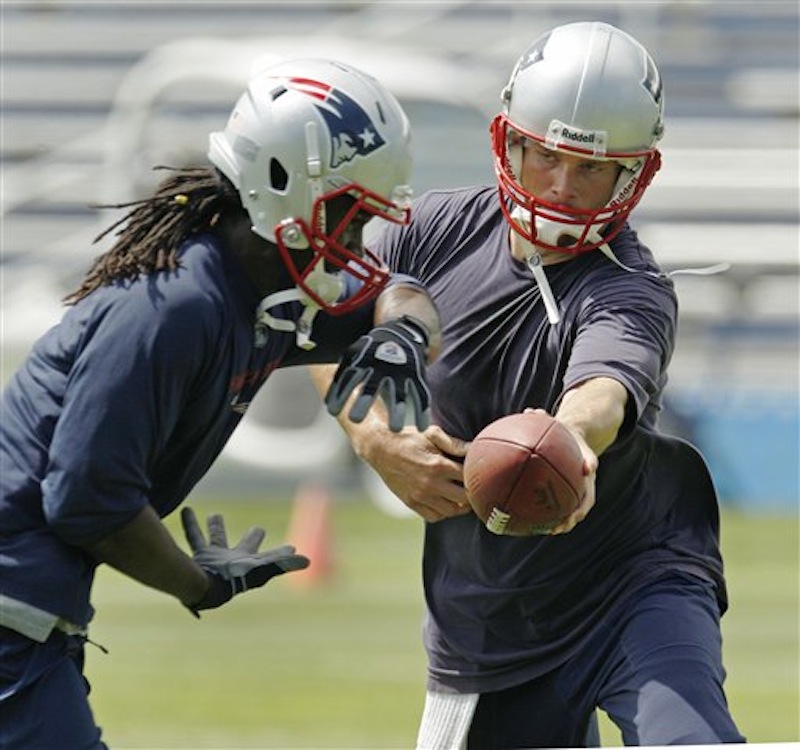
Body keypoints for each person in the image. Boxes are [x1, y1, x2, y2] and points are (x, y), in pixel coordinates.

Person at [314, 22, 745, 748]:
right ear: (509, 141)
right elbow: (325, 326)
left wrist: (568, 444)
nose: (562, 186)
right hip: (490, 618)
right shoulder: (427, 230)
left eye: (591, 168)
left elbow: (601, 393)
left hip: (635, 582)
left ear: (634, 174)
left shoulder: (632, 288)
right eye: (546, 155)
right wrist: (374, 440)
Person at [0, 58, 440, 749]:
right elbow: (86, 499)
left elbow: (402, 289)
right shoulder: (177, 307)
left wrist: (402, 334)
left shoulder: (254, 293)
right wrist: (196, 583)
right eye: (351, 217)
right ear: (284, 190)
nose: (357, 244)